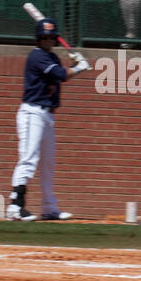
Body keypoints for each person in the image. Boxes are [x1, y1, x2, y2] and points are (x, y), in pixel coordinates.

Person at [8, 19, 92, 221]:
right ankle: (15, 207)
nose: (48, 41)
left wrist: (74, 64)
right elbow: (60, 75)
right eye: (44, 37)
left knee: (48, 164)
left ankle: (49, 208)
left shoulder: (51, 56)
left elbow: (57, 79)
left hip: (46, 115)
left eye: (51, 37)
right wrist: (79, 67)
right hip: (32, 113)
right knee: (29, 159)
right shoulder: (37, 56)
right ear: (38, 39)